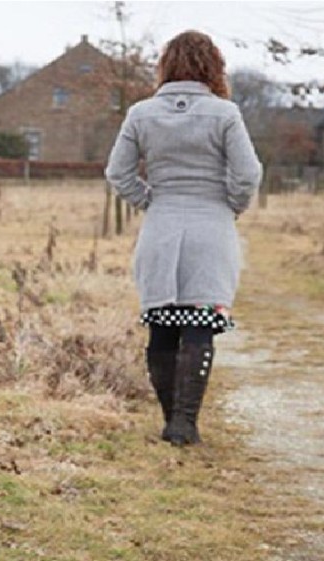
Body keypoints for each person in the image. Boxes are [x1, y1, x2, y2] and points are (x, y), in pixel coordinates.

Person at [105, 31, 262, 447]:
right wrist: (232, 205)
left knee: (162, 325)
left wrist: (148, 201)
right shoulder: (225, 114)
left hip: (161, 225)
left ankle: (169, 418)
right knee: (199, 325)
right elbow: (248, 174)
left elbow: (117, 173)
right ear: (214, 67)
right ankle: (185, 422)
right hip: (212, 228)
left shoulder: (140, 114)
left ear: (166, 65)